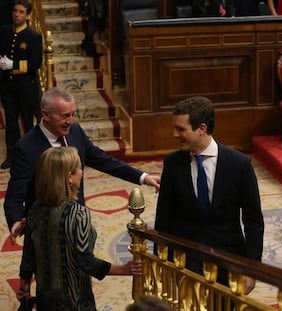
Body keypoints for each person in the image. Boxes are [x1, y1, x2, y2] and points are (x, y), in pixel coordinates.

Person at [4, 87, 161, 244]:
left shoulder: (75, 131)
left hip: (78, 225)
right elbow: (14, 196)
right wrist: (16, 220)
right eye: (65, 116)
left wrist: (143, 177)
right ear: (45, 115)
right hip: (45, 235)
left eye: (73, 114)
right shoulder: (26, 148)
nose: (71, 121)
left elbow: (103, 160)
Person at [154, 96, 264, 295]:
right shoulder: (172, 163)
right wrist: (161, 261)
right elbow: (164, 218)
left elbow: (253, 220)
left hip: (229, 259)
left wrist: (252, 268)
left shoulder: (239, 164)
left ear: (201, 129)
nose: (174, 134)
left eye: (181, 129)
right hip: (186, 259)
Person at [17, 147, 142, 310]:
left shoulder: (35, 209)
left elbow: (28, 254)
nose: (82, 172)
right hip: (75, 302)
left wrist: (24, 284)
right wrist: (123, 269)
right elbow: (86, 262)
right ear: (69, 176)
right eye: (79, 168)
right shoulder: (78, 213)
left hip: (45, 300)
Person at [0, 0, 42, 170]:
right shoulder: (3, 32)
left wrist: (14, 65)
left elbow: (36, 63)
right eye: (15, 11)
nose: (17, 14)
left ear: (27, 15)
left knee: (27, 121)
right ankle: (12, 156)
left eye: (21, 12)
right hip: (7, 86)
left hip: (26, 86)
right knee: (11, 122)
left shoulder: (33, 36)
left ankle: (32, 155)